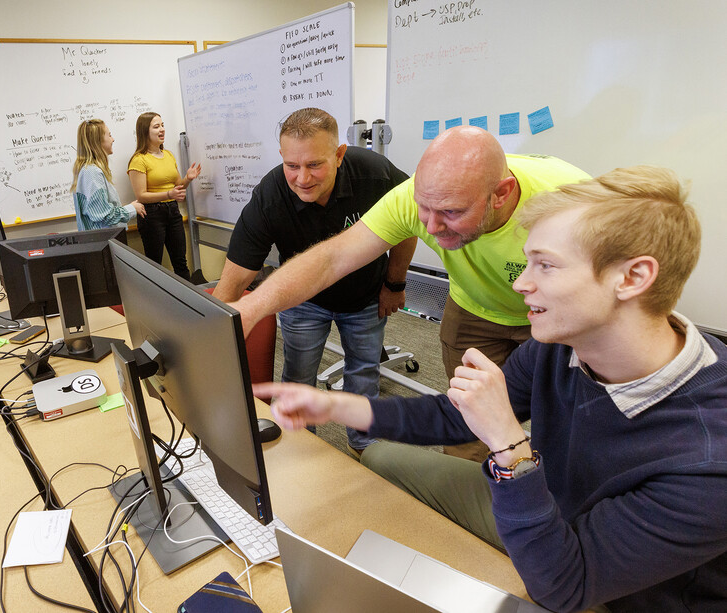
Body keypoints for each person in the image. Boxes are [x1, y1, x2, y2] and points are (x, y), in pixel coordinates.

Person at [254, 166, 727, 612]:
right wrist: (335, 404)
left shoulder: (709, 458)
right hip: (552, 506)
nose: (522, 284)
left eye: (546, 266)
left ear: (633, 277)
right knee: (380, 458)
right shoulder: (563, 344)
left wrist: (508, 444)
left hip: (609, 588)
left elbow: (566, 587)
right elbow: (451, 415)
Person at [234, 125, 590, 460]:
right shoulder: (415, 197)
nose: (431, 228)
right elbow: (331, 258)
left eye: (451, 212)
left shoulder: (573, 205)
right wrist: (250, 309)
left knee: (567, 420)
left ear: (501, 194)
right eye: (424, 209)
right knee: (468, 422)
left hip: (560, 315)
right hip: (475, 307)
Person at [212, 107, 414, 451]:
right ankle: (301, 447)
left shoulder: (376, 175)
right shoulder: (270, 197)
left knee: (364, 375)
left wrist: (395, 283)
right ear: (282, 157)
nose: (302, 178)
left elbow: (409, 225)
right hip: (304, 303)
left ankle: (367, 449)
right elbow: (232, 281)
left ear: (339, 155)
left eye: (314, 165)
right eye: (292, 166)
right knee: (297, 378)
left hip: (365, 297)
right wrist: (207, 339)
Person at [127, 111, 201, 279]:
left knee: (181, 262)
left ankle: (188, 302)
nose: (162, 130)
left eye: (162, 125)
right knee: (154, 264)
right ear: (145, 131)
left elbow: (178, 187)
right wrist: (169, 193)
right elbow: (141, 195)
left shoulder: (168, 155)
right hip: (151, 214)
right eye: (156, 126)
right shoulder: (139, 160)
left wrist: (188, 179)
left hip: (173, 212)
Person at [71, 119, 146, 231]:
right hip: (103, 241)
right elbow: (104, 216)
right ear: (98, 141)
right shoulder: (92, 173)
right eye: (109, 135)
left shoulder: (89, 170)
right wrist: (131, 209)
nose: (113, 139)